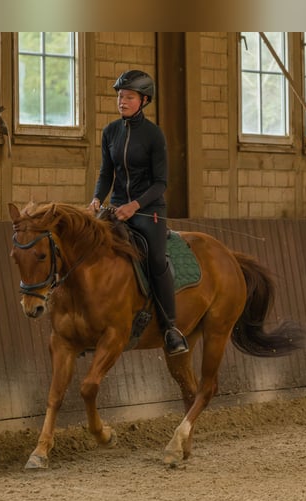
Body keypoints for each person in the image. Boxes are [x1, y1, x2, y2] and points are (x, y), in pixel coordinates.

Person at [87, 69, 189, 356]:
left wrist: (135, 206)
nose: (122, 101)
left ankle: (171, 328)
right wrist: (97, 198)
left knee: (156, 259)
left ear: (144, 100)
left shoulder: (154, 135)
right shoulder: (110, 132)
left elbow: (161, 183)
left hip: (148, 212)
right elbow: (106, 173)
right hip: (116, 208)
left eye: (128, 96)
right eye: (120, 96)